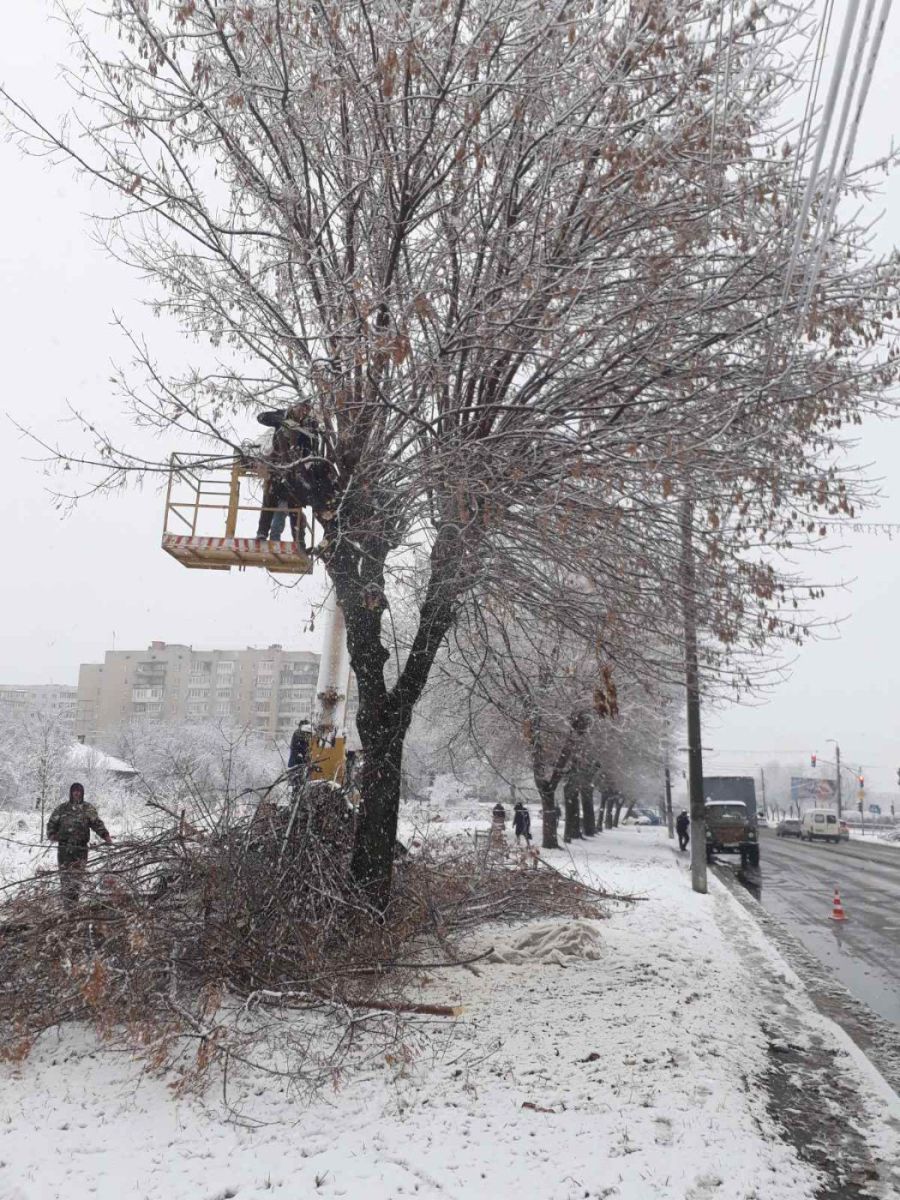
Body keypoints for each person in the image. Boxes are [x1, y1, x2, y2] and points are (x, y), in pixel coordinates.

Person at [46, 782, 112, 907]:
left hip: (81, 849)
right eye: (74, 790)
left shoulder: (88, 808)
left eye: (79, 791)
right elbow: (51, 823)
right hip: (64, 849)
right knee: (65, 877)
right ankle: (67, 905)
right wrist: (52, 834)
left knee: (77, 877)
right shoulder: (62, 808)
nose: (77, 793)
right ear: (71, 792)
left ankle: (74, 904)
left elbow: (97, 823)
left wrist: (105, 836)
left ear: (82, 792)